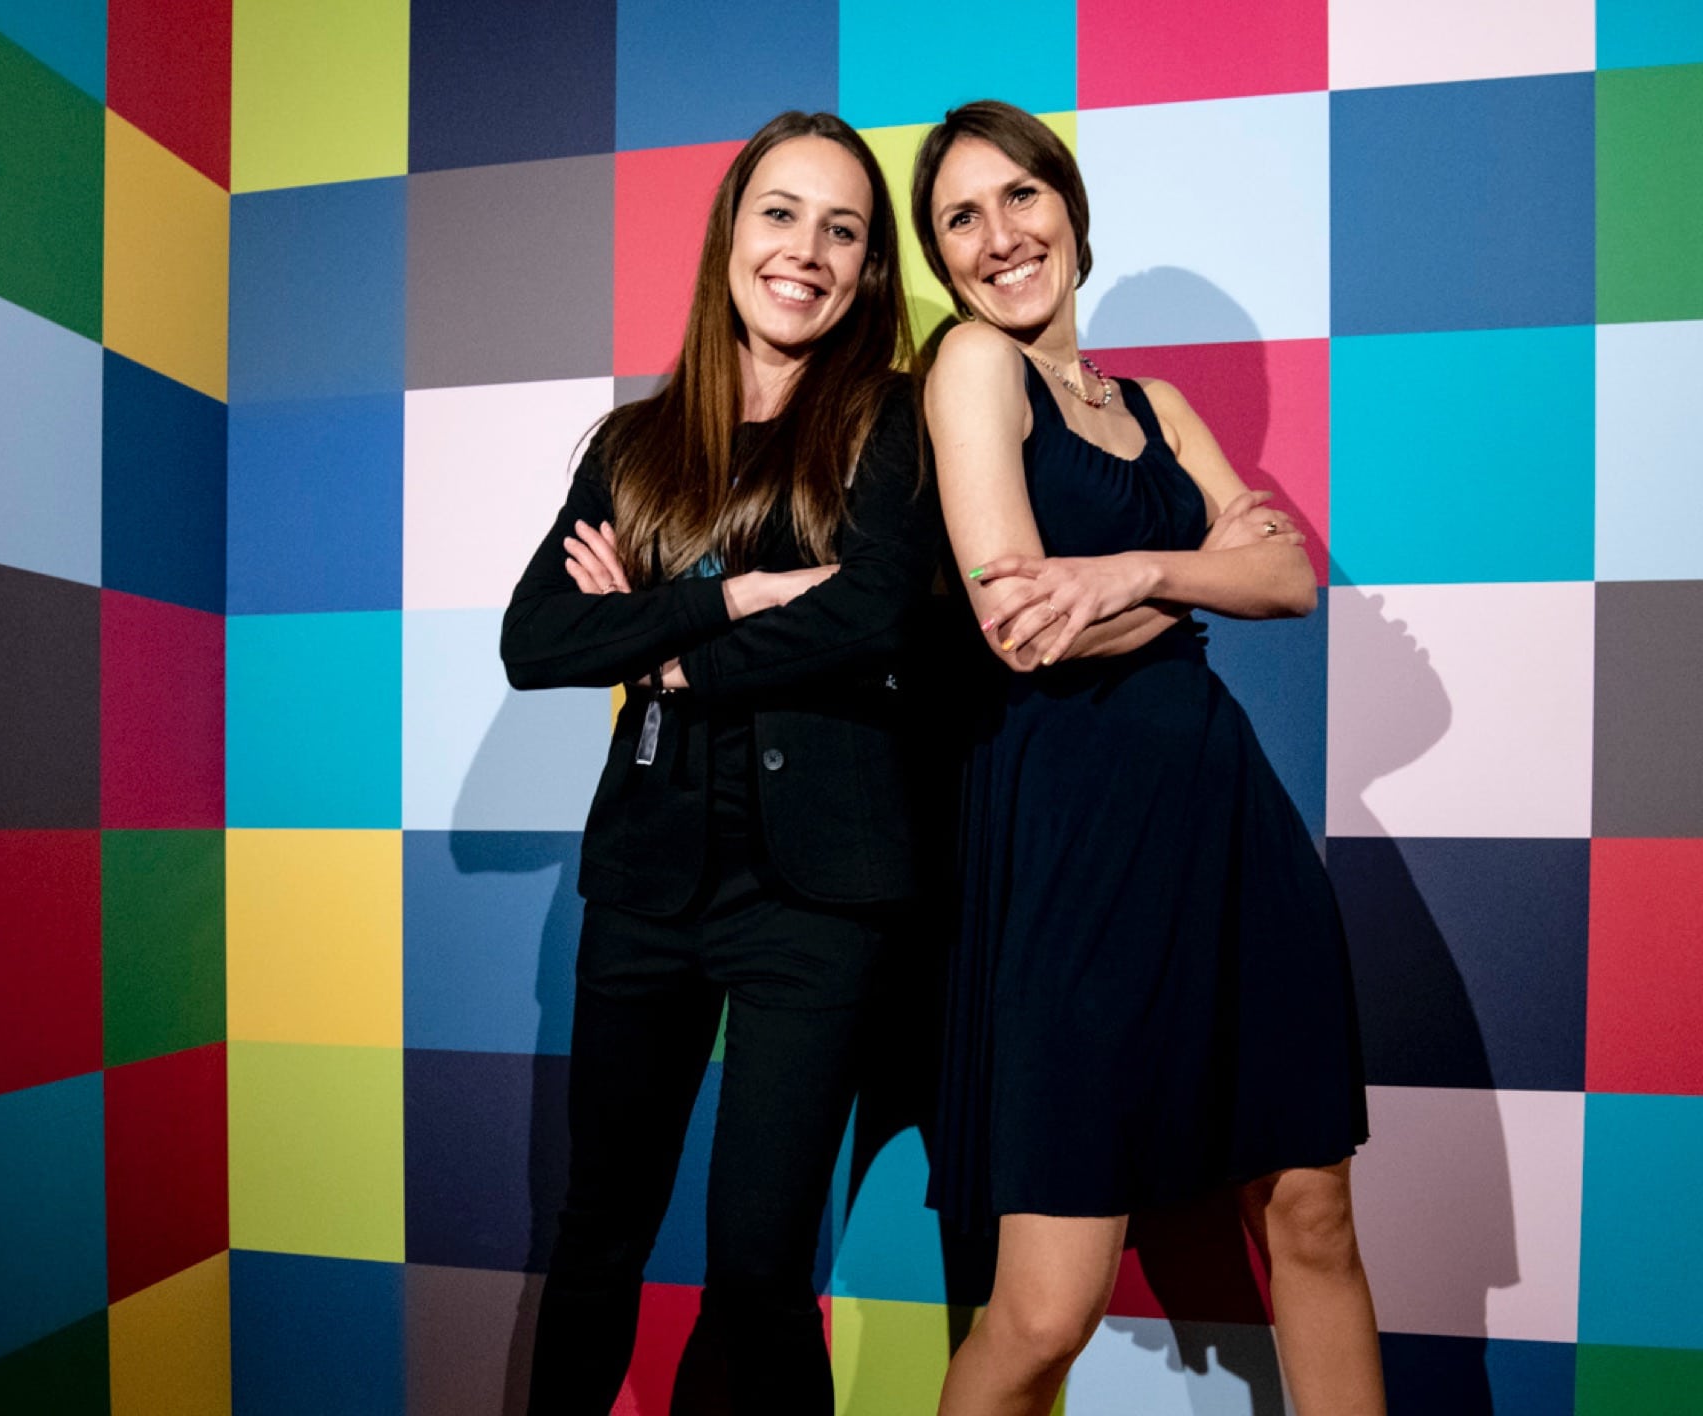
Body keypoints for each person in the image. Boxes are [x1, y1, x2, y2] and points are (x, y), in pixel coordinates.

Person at [911, 101, 1384, 1414]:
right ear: (942, 260)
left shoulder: (1157, 402)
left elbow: (1287, 576)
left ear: (1070, 206)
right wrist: (1203, 578)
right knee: (1047, 1307)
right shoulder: (970, 368)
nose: (1002, 235)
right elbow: (1016, 624)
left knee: (1312, 1216)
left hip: (1225, 827)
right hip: (1071, 845)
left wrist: (1131, 569)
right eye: (962, 217)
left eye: (1021, 196)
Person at [498, 110, 938, 1413]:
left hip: (817, 901)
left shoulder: (897, 423)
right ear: (732, 234)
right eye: (781, 213)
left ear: (866, 272)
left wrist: (666, 648)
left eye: (843, 230)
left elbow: (877, 611)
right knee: (596, 1237)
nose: (806, 249)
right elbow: (538, 640)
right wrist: (728, 600)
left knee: (757, 1270)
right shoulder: (636, 448)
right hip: (644, 885)